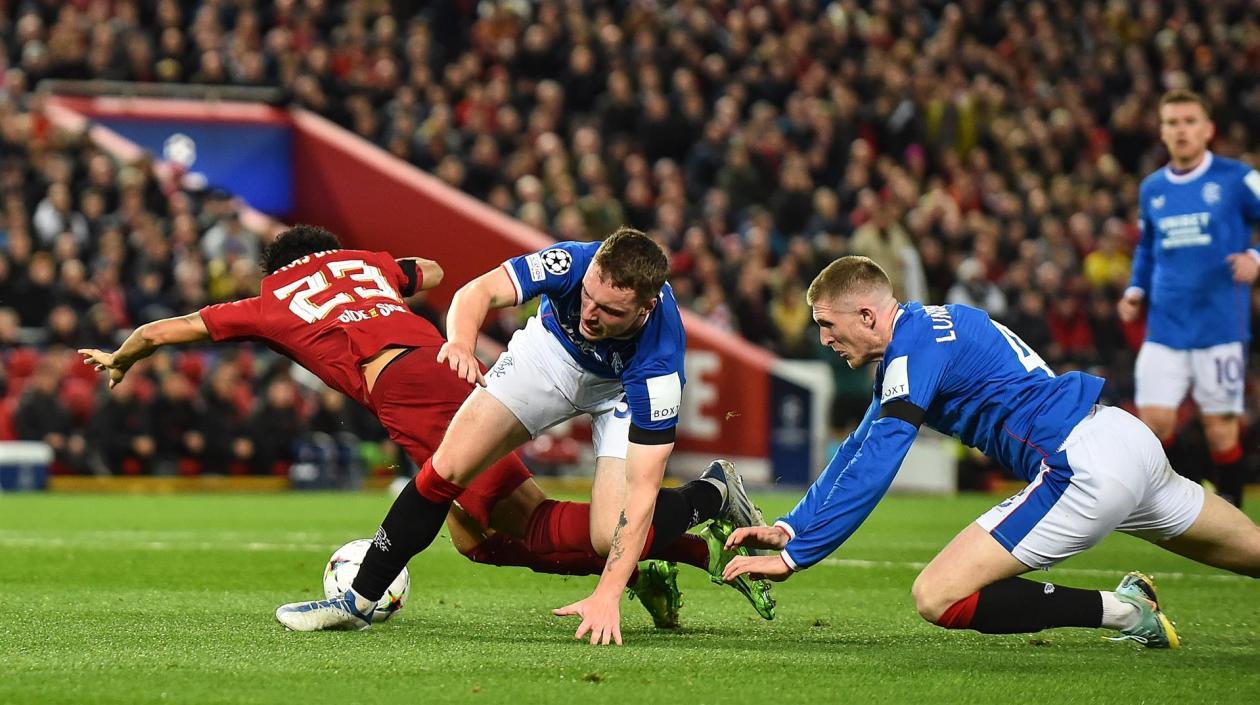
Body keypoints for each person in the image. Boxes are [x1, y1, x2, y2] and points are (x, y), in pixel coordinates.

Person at [79, 224, 772, 637]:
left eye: (609, 305)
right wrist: (426, 316)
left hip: (452, 389)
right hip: (499, 364)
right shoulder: (371, 266)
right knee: (476, 536)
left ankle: (694, 514)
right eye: (590, 295)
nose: (593, 305)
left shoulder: (269, 300)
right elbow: (445, 277)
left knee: (542, 529)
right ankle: (660, 553)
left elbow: (172, 328)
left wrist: (124, 353)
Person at [724, 256, 1260, 649]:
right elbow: (859, 444)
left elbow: (882, 454)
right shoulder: (931, 329)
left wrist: (799, 556)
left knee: (937, 596)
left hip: (1081, 466)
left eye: (826, 324)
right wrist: (793, 528)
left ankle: (1124, 611)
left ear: (865, 315)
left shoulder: (914, 351)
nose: (823, 339)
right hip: (1123, 437)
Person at [1117, 89, 1260, 508]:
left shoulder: (1237, 179)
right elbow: (1147, 246)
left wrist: (1255, 255)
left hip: (1219, 325)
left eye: (1189, 121)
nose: (1181, 130)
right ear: (1162, 131)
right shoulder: (1153, 188)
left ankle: (1231, 507)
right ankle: (1188, 496)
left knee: (1220, 429)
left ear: (1208, 129)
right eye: (1173, 123)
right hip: (1165, 327)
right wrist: (1135, 289)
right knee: (1154, 424)